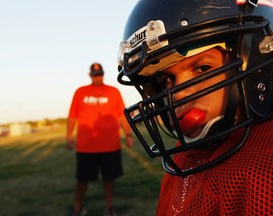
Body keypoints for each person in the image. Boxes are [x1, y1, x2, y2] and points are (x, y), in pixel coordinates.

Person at [117, 0, 273, 215]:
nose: (178, 93)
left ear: (256, 58)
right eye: (165, 80)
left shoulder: (264, 170)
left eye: (202, 68)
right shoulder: (183, 157)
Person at [66, 62, 133, 216]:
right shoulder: (80, 92)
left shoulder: (113, 91)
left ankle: (108, 207)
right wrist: (69, 135)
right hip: (86, 146)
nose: (98, 77)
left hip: (110, 145)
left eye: (100, 74)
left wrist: (128, 134)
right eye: (95, 75)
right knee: (82, 179)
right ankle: (77, 207)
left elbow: (121, 115)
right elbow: (72, 115)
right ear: (90, 75)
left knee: (109, 178)